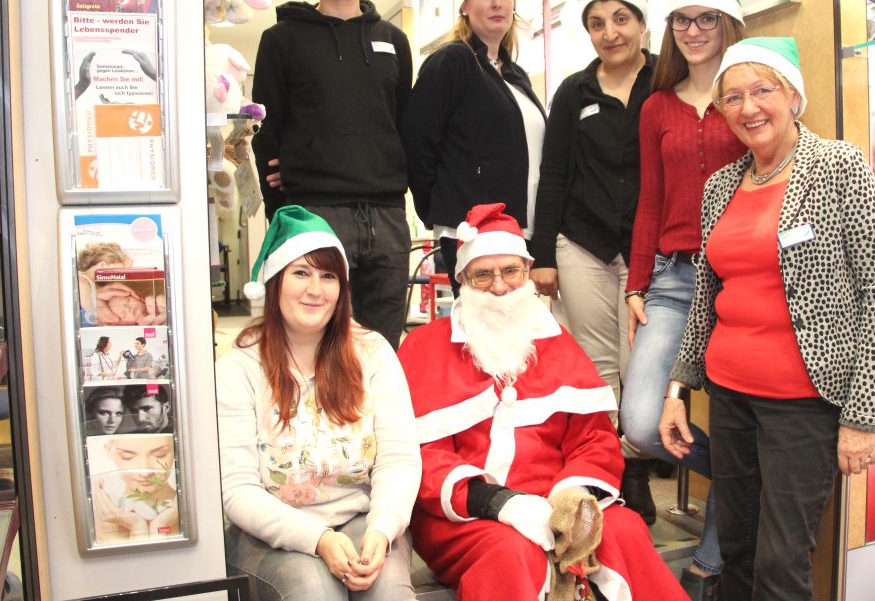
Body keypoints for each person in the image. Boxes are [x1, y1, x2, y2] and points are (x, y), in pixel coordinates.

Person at [660, 37, 875, 600]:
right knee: (736, 552)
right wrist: (677, 389)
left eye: (762, 90)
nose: (748, 108)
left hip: (803, 404)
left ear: (792, 95)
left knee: (781, 563)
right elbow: (705, 299)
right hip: (730, 397)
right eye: (733, 97)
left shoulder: (838, 166)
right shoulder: (721, 185)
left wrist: (863, 417)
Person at [398, 203, 687, 601]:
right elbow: (421, 456)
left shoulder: (556, 341)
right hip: (465, 516)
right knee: (512, 551)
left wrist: (572, 500)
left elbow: (594, 440)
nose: (499, 286)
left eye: (510, 271)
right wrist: (499, 503)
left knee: (625, 530)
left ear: (527, 272)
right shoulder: (425, 347)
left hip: (558, 502)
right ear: (463, 278)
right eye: (483, 274)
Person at [616, 0, 746, 597]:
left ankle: (711, 563)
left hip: (742, 281)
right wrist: (638, 284)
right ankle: (749, 468)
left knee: (735, 416)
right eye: (683, 20)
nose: (694, 30)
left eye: (707, 19)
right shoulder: (656, 106)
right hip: (671, 279)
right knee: (640, 422)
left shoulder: (747, 95)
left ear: (728, 24)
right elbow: (648, 199)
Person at [218, 206, 421, 601]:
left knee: (389, 591)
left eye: (328, 276)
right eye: (301, 273)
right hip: (268, 532)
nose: (315, 289)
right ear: (275, 282)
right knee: (314, 590)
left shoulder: (373, 353)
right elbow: (237, 489)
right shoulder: (237, 367)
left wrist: (383, 528)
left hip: (363, 519)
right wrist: (318, 539)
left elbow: (399, 458)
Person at [529, 0, 659, 522]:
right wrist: (542, 255)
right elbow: (554, 172)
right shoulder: (574, 92)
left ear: (642, 23)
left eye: (620, 19)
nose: (610, 33)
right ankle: (610, 473)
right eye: (597, 23)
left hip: (649, 247)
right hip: (581, 242)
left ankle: (639, 462)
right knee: (596, 365)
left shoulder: (666, 82)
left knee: (642, 370)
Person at [252, 0, 412, 350]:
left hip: (386, 216)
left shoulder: (392, 40)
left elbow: (403, 123)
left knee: (382, 347)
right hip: (316, 211)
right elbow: (267, 128)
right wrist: (281, 212)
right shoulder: (281, 39)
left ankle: (374, 420)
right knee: (314, 343)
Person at [403, 0, 546, 296]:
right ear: (465, 7)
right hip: (471, 229)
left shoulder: (515, 75)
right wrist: (440, 213)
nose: (496, 3)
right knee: (484, 337)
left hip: (517, 229)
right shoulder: (452, 61)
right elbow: (417, 142)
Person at [92, 434, 179, 543]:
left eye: (159, 455)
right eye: (127, 456)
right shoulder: (98, 522)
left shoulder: (195, 511)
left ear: (176, 448)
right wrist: (137, 526)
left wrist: (159, 526)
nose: (145, 472)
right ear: (109, 451)